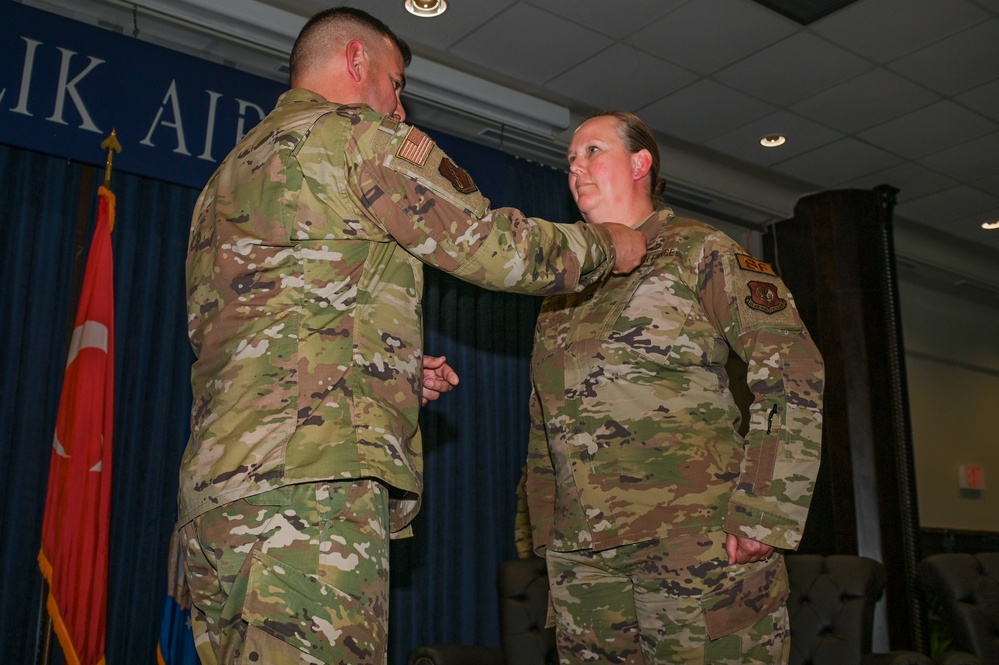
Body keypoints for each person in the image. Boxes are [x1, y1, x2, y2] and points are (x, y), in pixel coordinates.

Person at [178, 9, 648, 665]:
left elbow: (246, 326)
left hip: (215, 502)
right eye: (396, 84)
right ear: (355, 62)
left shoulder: (224, 176)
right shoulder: (357, 136)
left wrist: (381, 367)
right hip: (310, 489)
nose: (398, 108)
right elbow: (490, 246)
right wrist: (606, 246)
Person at [525, 111, 824, 664]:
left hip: (693, 537)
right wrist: (546, 529)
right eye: (569, 160)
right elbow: (546, 415)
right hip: (584, 556)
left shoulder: (699, 249)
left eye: (592, 151)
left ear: (641, 163)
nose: (576, 169)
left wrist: (765, 508)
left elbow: (792, 366)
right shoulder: (566, 282)